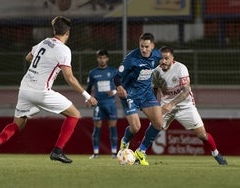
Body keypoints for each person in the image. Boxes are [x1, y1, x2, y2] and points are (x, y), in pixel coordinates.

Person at [0, 16, 97, 164]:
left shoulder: (44, 42)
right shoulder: (64, 50)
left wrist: (43, 64)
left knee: (18, 124)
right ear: (67, 33)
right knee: (75, 115)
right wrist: (87, 95)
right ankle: (57, 150)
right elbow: (69, 78)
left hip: (25, 89)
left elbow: (28, 57)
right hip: (41, 91)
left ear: (54, 30)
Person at [139, 46, 227, 165]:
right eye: (161, 58)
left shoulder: (181, 68)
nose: (163, 61)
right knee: (155, 125)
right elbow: (154, 90)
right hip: (165, 104)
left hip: (185, 104)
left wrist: (172, 104)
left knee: (202, 135)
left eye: (166, 58)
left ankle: (216, 154)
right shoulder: (156, 71)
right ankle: (140, 153)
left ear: (172, 59)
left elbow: (186, 91)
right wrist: (153, 105)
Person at [114, 33, 164, 165]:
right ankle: (125, 141)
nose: (144, 49)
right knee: (136, 127)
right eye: (142, 46)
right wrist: (119, 87)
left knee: (159, 124)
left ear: (152, 46)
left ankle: (141, 152)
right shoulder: (131, 58)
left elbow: (165, 63)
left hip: (146, 94)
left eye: (147, 47)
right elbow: (117, 77)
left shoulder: (157, 55)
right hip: (129, 95)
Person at [86, 50, 118, 159]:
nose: (102, 60)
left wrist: (113, 92)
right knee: (97, 127)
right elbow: (89, 88)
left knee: (112, 127)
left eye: (104, 58)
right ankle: (95, 153)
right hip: (98, 104)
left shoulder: (114, 71)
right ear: (97, 59)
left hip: (111, 104)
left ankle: (114, 153)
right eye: (100, 58)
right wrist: (87, 99)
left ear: (107, 58)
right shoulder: (93, 73)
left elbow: (120, 86)